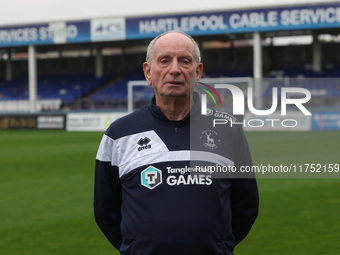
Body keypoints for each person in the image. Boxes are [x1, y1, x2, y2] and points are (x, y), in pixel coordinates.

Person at [94, 30, 259, 255]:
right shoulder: (118, 134)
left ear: (197, 72)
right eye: (164, 61)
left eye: (185, 61)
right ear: (148, 72)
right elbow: (106, 211)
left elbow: (246, 207)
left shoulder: (228, 129)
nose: (175, 69)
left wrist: (217, 244)